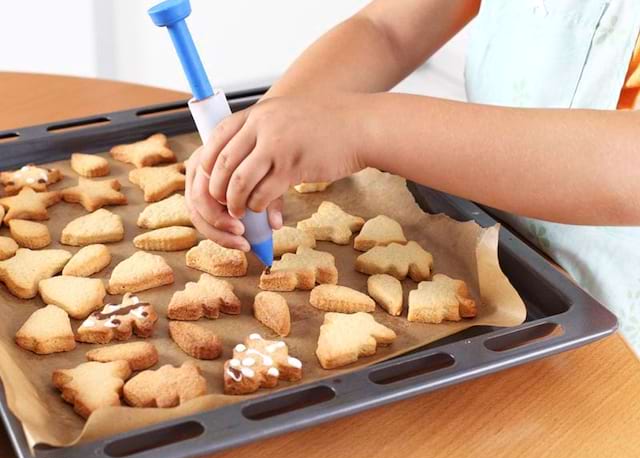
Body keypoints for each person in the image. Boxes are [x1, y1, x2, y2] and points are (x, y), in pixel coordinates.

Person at [185, 0, 640, 353]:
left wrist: (362, 128)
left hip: (620, 345)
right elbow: (387, 31)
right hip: (494, 278)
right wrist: (264, 135)